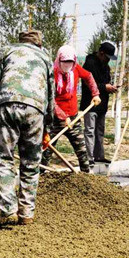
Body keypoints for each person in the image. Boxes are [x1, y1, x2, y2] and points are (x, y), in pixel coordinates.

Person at [0, 30, 54, 226]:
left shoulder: (6, 51)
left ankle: (8, 210)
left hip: (8, 105)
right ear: (39, 44)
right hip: (35, 109)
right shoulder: (45, 58)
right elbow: (51, 94)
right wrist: (48, 126)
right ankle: (26, 213)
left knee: (3, 158)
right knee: (31, 162)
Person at [41, 45, 100, 173]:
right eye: (64, 62)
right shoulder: (52, 74)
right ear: (59, 60)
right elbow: (50, 100)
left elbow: (89, 77)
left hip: (74, 119)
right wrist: (63, 117)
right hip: (55, 121)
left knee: (82, 151)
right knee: (46, 151)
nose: (67, 65)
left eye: (70, 62)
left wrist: (95, 94)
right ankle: (39, 178)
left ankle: (86, 179)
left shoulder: (76, 69)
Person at [81, 40, 118, 167]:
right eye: (107, 57)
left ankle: (99, 156)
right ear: (101, 53)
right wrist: (105, 87)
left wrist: (111, 88)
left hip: (102, 105)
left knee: (100, 131)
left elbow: (104, 83)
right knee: (90, 131)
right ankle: (89, 157)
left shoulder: (106, 66)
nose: (108, 60)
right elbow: (88, 84)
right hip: (90, 104)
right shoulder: (89, 64)